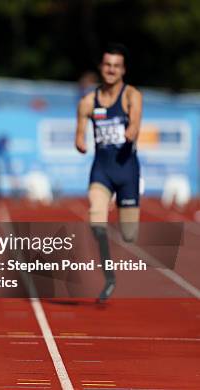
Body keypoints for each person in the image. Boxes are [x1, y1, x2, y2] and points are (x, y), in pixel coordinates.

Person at [75, 43, 142, 302]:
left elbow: (135, 123)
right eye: (107, 65)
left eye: (116, 66)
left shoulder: (131, 95)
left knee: (129, 234)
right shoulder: (87, 102)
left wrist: (130, 132)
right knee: (96, 219)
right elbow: (79, 136)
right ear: (101, 67)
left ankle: (124, 208)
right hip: (102, 170)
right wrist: (80, 142)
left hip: (127, 170)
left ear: (123, 69)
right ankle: (109, 276)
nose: (111, 70)